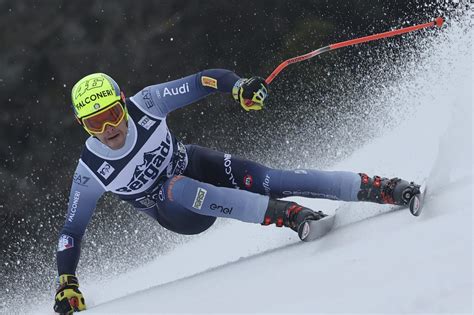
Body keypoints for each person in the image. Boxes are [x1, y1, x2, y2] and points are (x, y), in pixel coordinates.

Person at [53, 70, 420, 314]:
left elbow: (202, 81)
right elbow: (71, 232)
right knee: (176, 187)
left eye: (113, 114)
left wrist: (238, 87)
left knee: (272, 178)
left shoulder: (147, 104)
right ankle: (285, 214)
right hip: (179, 212)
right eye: (94, 123)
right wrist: (66, 281)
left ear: (123, 101)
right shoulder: (90, 172)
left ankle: (381, 188)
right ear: (82, 125)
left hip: (197, 164)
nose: (108, 128)